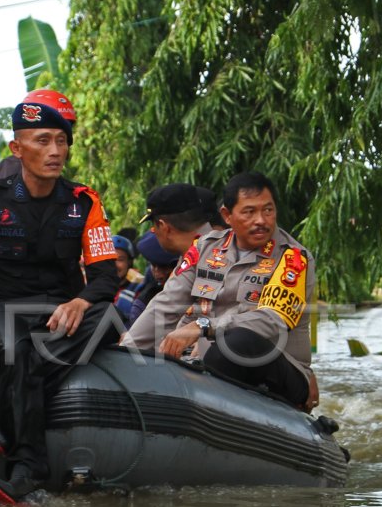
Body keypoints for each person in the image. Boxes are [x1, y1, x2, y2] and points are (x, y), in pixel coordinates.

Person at [0, 91, 121, 505]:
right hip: (3, 311)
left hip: (63, 313)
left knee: (109, 319)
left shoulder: (84, 202)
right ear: (16, 148)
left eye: (61, 140)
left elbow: (107, 275)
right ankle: (26, 468)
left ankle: (16, 396)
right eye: (42, 141)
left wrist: (80, 302)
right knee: (18, 354)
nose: (55, 151)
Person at [122, 171, 319, 413]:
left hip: (276, 370)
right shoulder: (204, 248)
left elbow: (271, 321)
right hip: (211, 370)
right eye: (249, 212)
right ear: (227, 215)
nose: (261, 220)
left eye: (268, 210)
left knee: (237, 341)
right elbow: (166, 303)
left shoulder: (292, 258)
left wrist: (203, 326)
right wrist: (124, 356)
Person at [117, 231, 179, 326]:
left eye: (165, 267)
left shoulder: (136, 291)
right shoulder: (143, 301)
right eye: (153, 265)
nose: (158, 275)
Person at [140, 183, 215, 257]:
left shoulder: (194, 265)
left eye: (154, 227)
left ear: (164, 227)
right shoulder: (220, 251)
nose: (153, 232)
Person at [111, 234, 143, 324]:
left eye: (120, 259)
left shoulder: (140, 289)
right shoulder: (95, 289)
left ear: (129, 262)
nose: (114, 265)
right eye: (110, 259)